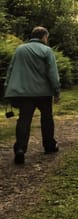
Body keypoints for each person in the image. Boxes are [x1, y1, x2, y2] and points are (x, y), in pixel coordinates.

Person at [3, 26, 61, 165]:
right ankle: (49, 146)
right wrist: (56, 91)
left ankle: (20, 149)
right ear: (44, 37)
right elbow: (53, 73)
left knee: (24, 120)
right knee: (47, 119)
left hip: (25, 93)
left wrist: (7, 88)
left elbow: (11, 69)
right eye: (47, 37)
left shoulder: (20, 49)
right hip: (44, 93)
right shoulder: (47, 51)